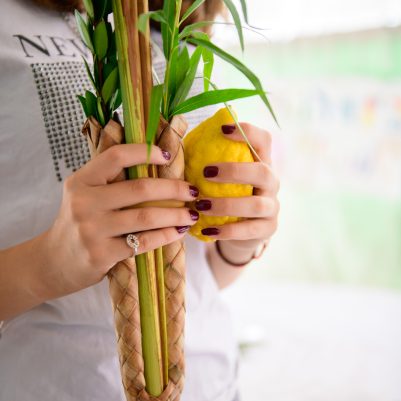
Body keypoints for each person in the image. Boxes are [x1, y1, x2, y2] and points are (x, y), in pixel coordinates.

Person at [0, 0, 280, 400]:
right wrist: (50, 261)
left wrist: (240, 243)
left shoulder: (178, 22)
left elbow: (202, 276)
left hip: (215, 384)